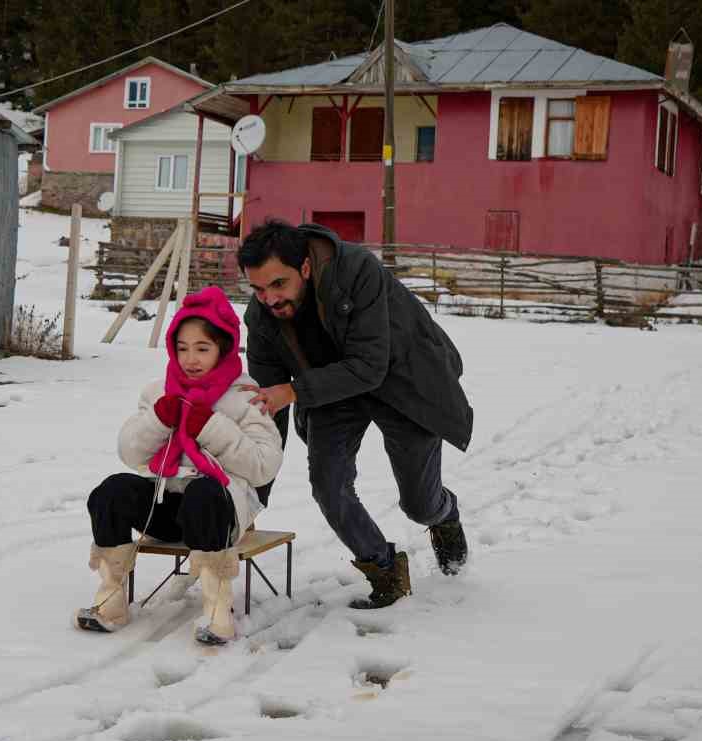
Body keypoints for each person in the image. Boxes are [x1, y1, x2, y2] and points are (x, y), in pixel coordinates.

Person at [236, 220, 472, 610]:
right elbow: (266, 413)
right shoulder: (262, 319)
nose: (270, 299)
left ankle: (444, 516)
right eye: (258, 289)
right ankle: (384, 570)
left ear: (306, 269)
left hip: (402, 382)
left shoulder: (357, 271)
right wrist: (250, 500)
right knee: (328, 485)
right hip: (330, 390)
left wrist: (293, 390)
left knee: (419, 505)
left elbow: (369, 366)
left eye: (278, 284)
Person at [77, 286, 284, 645]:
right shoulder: (161, 391)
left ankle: (218, 608)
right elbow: (130, 452)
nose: (191, 359)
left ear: (224, 348)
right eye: (183, 348)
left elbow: (265, 466)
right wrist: (159, 419)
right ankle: (111, 598)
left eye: (202, 348)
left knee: (203, 492)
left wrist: (211, 428)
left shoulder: (246, 395)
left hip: (219, 511)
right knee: (112, 490)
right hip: (166, 503)